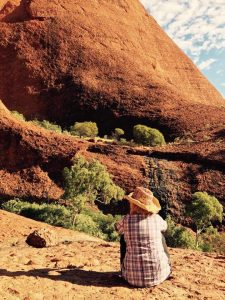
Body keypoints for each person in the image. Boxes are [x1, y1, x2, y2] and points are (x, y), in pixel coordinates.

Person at [115, 186, 171, 287]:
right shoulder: (157, 219)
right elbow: (165, 227)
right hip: (159, 276)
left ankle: (123, 269)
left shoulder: (126, 220)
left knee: (123, 238)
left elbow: (117, 229)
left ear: (133, 204)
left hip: (131, 279)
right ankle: (168, 266)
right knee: (161, 236)